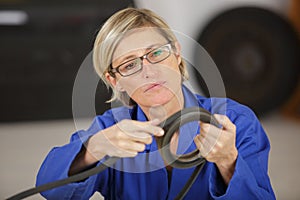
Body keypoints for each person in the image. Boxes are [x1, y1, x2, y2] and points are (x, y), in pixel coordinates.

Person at [36, 8, 275, 199]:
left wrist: (227, 162)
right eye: (129, 65)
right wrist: (93, 149)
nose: (149, 72)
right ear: (115, 81)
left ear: (177, 54)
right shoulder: (110, 130)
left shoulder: (234, 121)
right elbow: (51, 190)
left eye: (156, 53)